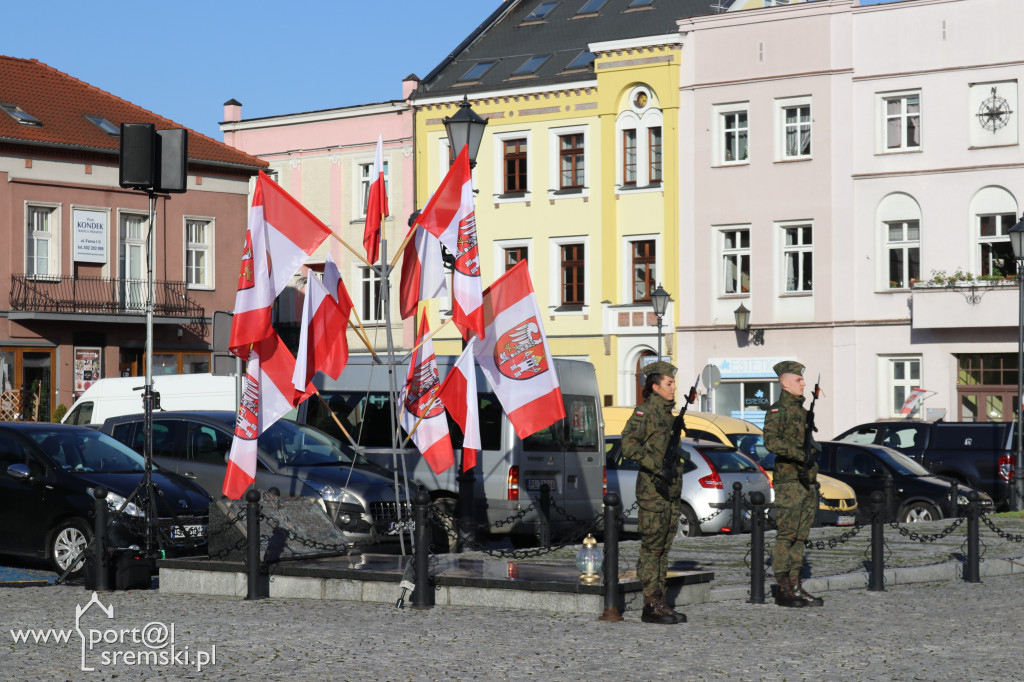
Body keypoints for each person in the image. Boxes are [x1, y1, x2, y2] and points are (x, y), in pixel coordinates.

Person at [620, 360, 686, 624]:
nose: (673, 388)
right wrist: (656, 466)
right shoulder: (645, 413)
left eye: (673, 383)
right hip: (653, 491)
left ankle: (661, 601)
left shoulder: (669, 416)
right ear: (656, 386)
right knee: (652, 549)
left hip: (669, 490)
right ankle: (650, 605)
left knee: (663, 549)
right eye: (669, 384)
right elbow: (627, 446)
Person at [763, 360, 823, 608]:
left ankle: (796, 586)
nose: (803, 383)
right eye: (798, 380)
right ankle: (783, 588)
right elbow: (771, 442)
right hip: (789, 481)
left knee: (800, 536)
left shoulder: (802, 411)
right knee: (786, 535)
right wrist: (799, 454)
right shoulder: (778, 411)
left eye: (802, 379)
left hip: (806, 480)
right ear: (785, 383)